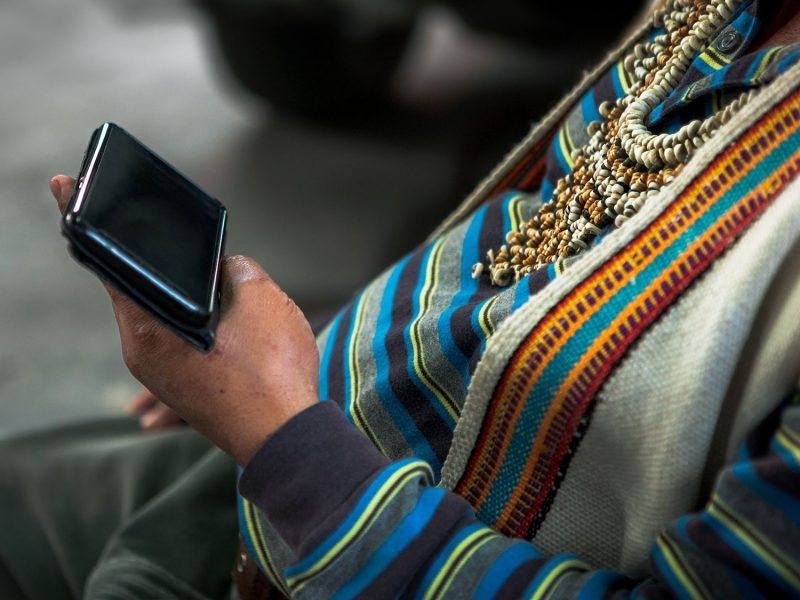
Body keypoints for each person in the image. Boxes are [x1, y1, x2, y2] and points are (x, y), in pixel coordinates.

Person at [2, 0, 800, 597]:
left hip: (315, 528)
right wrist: (280, 364)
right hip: (290, 452)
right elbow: (548, 239)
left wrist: (283, 437)